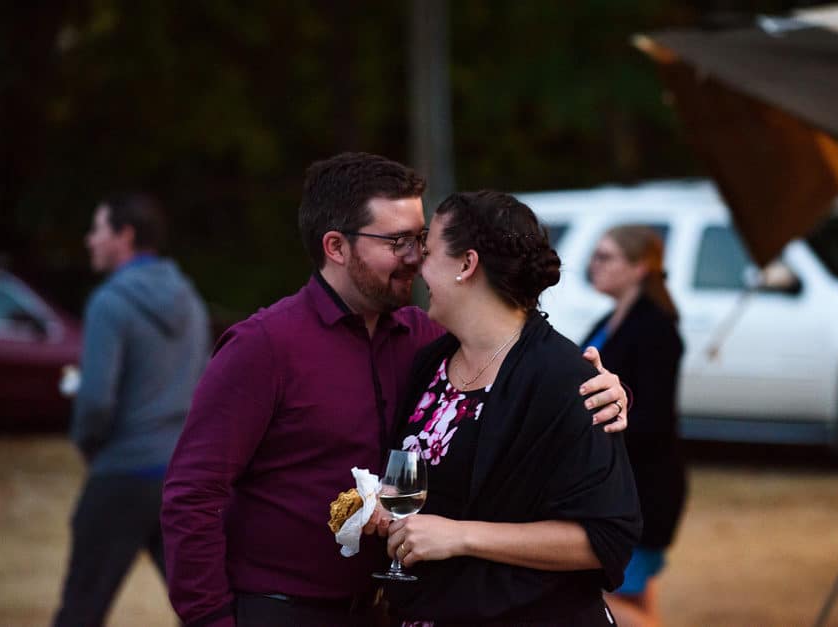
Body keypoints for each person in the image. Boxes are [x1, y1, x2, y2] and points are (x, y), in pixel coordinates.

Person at [160, 153, 629, 627]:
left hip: (387, 609)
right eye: (398, 241)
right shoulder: (263, 347)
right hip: (281, 608)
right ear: (337, 247)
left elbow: (518, 362)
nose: (415, 257)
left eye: (422, 239)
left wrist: (606, 388)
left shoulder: (424, 341)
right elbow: (192, 494)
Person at [381, 190, 642, 626]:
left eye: (427, 252)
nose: (417, 265)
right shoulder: (432, 362)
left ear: (467, 264)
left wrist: (460, 536)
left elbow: (604, 539)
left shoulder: (564, 379)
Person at [54, 193, 211, 627]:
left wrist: (89, 446)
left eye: (97, 229)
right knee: (204, 612)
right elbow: (204, 388)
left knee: (81, 609)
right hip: (179, 477)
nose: (90, 241)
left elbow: (97, 400)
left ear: (124, 236)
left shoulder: (110, 302)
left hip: (122, 475)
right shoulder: (191, 302)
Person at [583, 226, 687, 627]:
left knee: (605, 602)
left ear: (640, 267)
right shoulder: (612, 317)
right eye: (595, 255)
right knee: (637, 602)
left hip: (644, 488)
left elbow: (654, 419)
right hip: (620, 483)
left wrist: (593, 429)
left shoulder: (656, 327)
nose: (595, 265)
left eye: (606, 257)